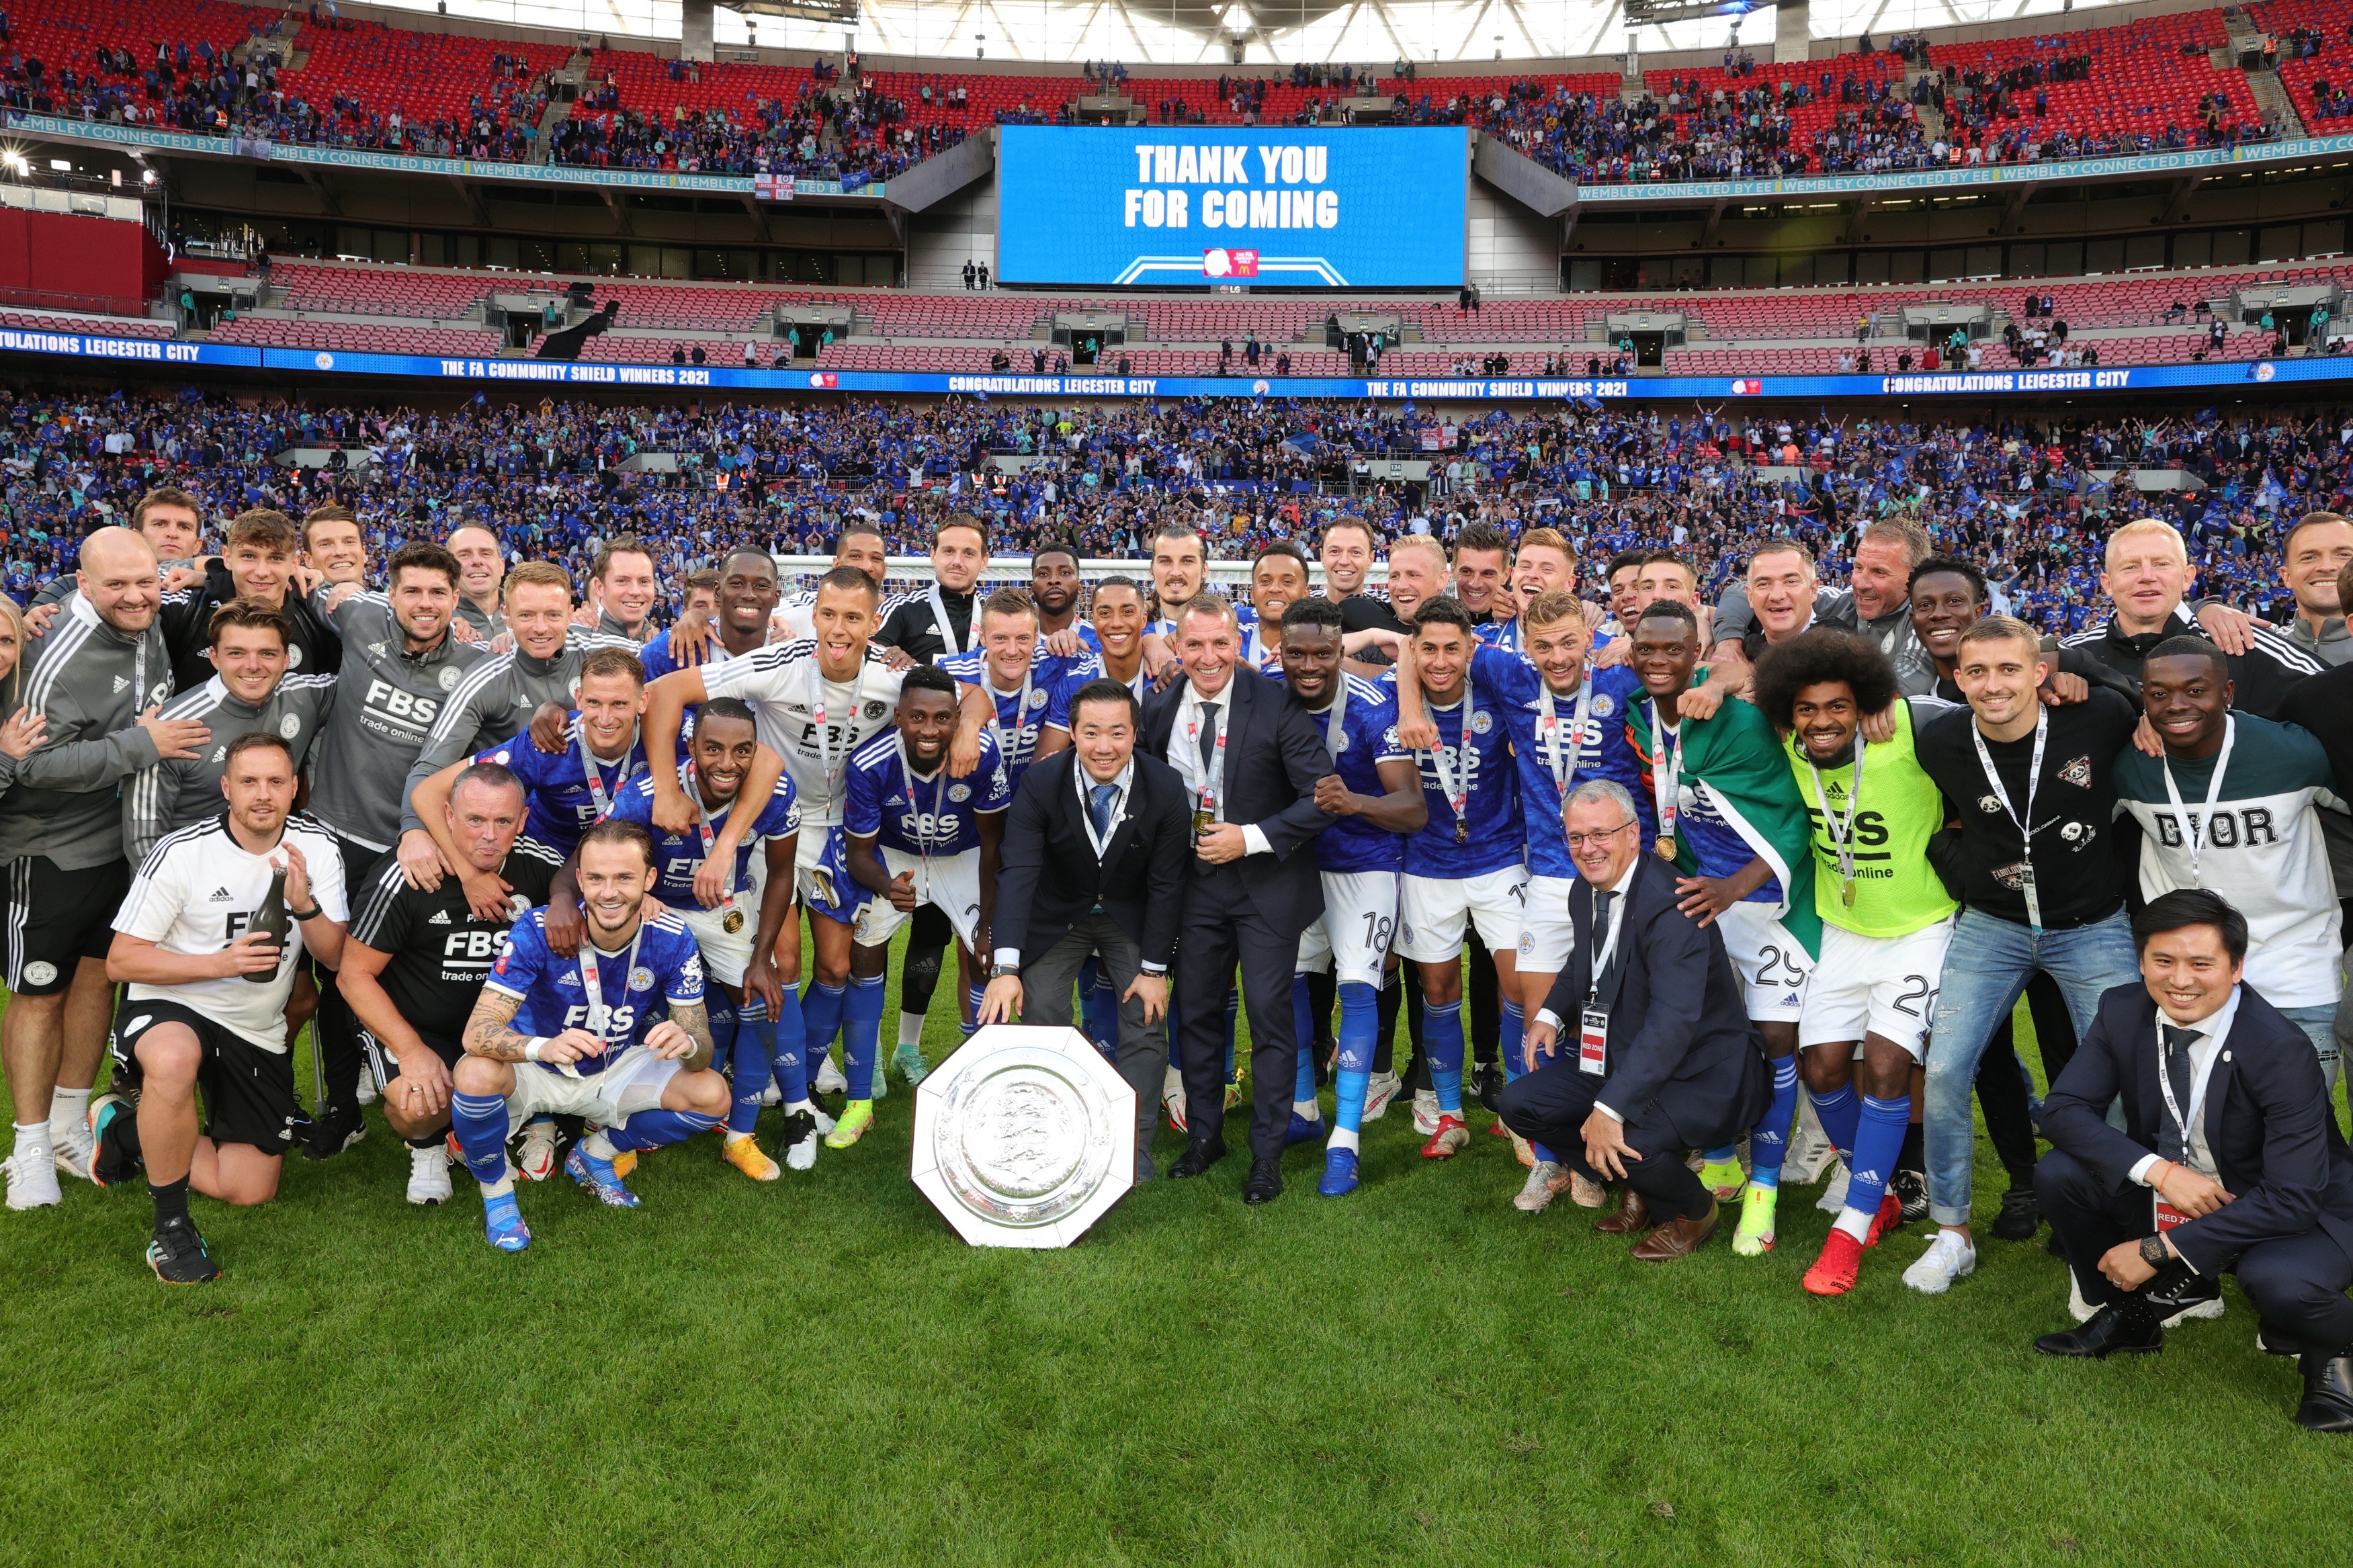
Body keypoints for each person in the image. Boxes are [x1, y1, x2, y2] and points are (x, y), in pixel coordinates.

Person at [643, 566, 988, 1121]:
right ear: (815, 616)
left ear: (874, 624)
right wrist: (665, 788)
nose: (838, 629)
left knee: (834, 966)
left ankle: (805, 1066)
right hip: (772, 822)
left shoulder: (890, 674)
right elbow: (664, 692)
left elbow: (970, 696)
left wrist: (969, 728)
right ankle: (791, 1088)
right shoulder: (781, 664)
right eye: (828, 614)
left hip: (844, 830)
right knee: (781, 962)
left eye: (853, 617)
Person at [2033, 889, 2353, 1434]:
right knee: (2060, 1174)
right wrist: (2160, 1172)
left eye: (2201, 964)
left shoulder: (2280, 1047)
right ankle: (2134, 1318)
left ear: (2236, 967)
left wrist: (2157, 1249)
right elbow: (2061, 1110)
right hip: (2175, 1188)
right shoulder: (2122, 1009)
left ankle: (2336, 1353)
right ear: (2142, 962)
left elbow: (2293, 1196)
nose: (2180, 980)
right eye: (2164, 961)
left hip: (2279, 1206)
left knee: (2282, 1286)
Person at [1905, 615, 2145, 1294]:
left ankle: (2109, 1234)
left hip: (2092, 925)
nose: (1992, 685)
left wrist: (2085, 668)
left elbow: (2141, 694)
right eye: (1975, 671)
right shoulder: (1942, 738)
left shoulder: (2096, 714)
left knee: (2124, 1078)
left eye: (2009, 669)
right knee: (1948, 1069)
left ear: (2040, 672)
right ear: (1956, 678)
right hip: (1993, 925)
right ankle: (1951, 1233)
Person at [89, 733, 349, 1282]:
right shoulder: (184, 852)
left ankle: (125, 1131)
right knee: (175, 1059)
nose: (263, 795)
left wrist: (305, 905)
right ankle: (171, 1230)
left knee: (249, 1187)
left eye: (276, 782)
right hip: (172, 1001)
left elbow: (333, 956)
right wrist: (219, 964)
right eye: (249, 782)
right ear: (227, 788)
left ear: (295, 788)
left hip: (254, 1025)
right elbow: (122, 960)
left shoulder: (317, 849)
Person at [1754, 628, 1959, 1295]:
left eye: (1838, 707)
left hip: (1919, 929)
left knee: (1889, 1065)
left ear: (1865, 700)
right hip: (1843, 928)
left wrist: (2055, 669)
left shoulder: (1905, 723)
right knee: (1822, 1069)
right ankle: (1883, 1191)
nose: (1822, 722)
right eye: (1807, 709)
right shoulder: (1788, 741)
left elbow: (1989, 703)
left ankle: (1851, 1229)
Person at [1622, 600, 1824, 1255]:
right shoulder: (1635, 715)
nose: (1658, 661)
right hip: (1702, 895)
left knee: (1773, 1041)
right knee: (1706, 1031)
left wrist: (1734, 886)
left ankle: (1762, 1189)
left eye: (1672, 650)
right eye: (1645, 649)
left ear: (1697, 652)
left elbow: (1794, 818)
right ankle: (1720, 1160)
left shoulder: (1741, 721)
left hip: (1770, 902)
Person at [1, 527, 192, 1211]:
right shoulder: (58, 659)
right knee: (40, 995)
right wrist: (143, 745)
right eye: (117, 585)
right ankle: (26, 1150)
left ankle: (65, 1128)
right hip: (46, 849)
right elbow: (30, 766)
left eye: (146, 580)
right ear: (86, 587)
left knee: (94, 981)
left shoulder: (148, 621)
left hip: (114, 846)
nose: (137, 596)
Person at [1502, 780, 1769, 1261]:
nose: (1588, 849)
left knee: (1629, 1139)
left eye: (1601, 834)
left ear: (1633, 834)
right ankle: (1640, 1186)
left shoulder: (1674, 904)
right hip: (1625, 1055)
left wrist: (1608, 1111)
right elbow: (1584, 962)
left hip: (1700, 1071)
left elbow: (1673, 1022)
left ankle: (1692, 1209)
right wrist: (1549, 1014)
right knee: (1520, 1103)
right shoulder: (1585, 889)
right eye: (1576, 837)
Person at [449, 820, 724, 1253]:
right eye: (596, 878)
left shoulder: (672, 938)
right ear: (579, 880)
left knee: (711, 1092)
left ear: (650, 880)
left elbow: (702, 1045)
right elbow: (476, 1033)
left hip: (610, 1070)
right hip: (534, 1069)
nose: (609, 892)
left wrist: (689, 1043)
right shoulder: (538, 930)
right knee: (475, 1074)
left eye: (624, 878)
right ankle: (498, 1197)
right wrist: (545, 1046)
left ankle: (595, 1154)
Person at [1141, 593, 1332, 1203]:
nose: (1208, 656)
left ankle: (1267, 1155)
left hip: (1266, 888)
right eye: (1193, 644)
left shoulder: (1274, 702)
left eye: (1220, 643)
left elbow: (1321, 796)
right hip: (1197, 890)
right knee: (1195, 1013)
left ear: (1238, 642)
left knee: (1270, 1019)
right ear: (1176, 646)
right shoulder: (1161, 706)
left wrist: (1249, 838)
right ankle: (1205, 1135)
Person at [302, 541, 485, 1157]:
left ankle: (404, 1078)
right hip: (336, 834)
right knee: (332, 975)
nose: (425, 604)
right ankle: (341, 1106)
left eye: (438, 593)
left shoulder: (477, 665)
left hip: (415, 846)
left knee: (390, 971)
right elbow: (311, 586)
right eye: (413, 591)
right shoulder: (358, 619)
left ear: (457, 600)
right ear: (392, 594)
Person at [2112, 637, 2345, 1095]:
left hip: (2294, 966)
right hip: (2187, 977)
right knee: (2192, 1129)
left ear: (2229, 693)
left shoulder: (2292, 754)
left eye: (2196, 690)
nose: (2177, 705)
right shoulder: (2130, 767)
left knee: (2303, 1123)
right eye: (2159, 694)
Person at [979, 678, 1192, 1178]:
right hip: (1059, 915)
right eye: (1091, 732)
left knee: (1146, 1015)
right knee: (1041, 1009)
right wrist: (1005, 966)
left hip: (1130, 916)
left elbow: (1168, 883)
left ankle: (1131, 1149)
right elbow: (1019, 872)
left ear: (1136, 734)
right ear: (1071, 732)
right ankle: (1051, 1139)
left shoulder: (1164, 787)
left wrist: (1155, 968)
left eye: (1117, 733)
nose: (1104, 747)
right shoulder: (1040, 782)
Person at [337, 762, 560, 1205]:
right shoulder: (408, 875)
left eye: (503, 822)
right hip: (422, 1027)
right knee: (419, 1106)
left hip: (504, 1028)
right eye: (475, 819)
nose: (489, 835)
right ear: (449, 816)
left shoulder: (542, 866)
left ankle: (533, 1121)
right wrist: (410, 1050)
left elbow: (593, 896)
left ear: (523, 820)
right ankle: (429, 1146)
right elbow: (353, 976)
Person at [596, 697, 802, 1178]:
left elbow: (781, 872)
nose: (726, 763)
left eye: (740, 751)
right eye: (712, 749)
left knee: (763, 1001)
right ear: (691, 747)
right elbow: (603, 855)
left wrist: (762, 958)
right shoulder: (647, 793)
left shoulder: (775, 789)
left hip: (725, 910)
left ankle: (740, 1135)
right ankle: (611, 1127)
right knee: (621, 1005)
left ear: (755, 752)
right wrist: (636, 892)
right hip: (655, 907)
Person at [1277, 597, 1424, 1195]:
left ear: (1341, 652)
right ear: (1279, 651)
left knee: (1357, 988)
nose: (1309, 665)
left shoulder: (1372, 707)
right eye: (1296, 654)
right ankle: (1304, 1108)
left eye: (1322, 653)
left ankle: (1346, 1141)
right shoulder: (1264, 691)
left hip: (1363, 864)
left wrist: (1356, 803)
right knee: (1288, 979)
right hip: (1293, 863)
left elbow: (1413, 806)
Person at [840, 668, 1011, 1145]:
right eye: (917, 717)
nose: (930, 729)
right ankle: (864, 1073)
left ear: (959, 717)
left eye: (942, 718)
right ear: (898, 717)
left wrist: (988, 926)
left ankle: (980, 1076)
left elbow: (994, 846)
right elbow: (858, 854)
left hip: (964, 856)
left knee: (985, 958)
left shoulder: (983, 753)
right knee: (866, 948)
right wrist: (887, 884)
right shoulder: (870, 763)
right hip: (894, 856)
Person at [122, 599, 337, 863]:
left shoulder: (307, 697)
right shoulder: (170, 727)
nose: (253, 665)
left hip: (271, 860)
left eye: (267, 653)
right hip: (194, 874)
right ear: (214, 657)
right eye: (236, 653)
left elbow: (368, 678)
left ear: (286, 659)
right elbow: (144, 836)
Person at [2059, 519, 2322, 717]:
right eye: (2130, 567)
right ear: (2107, 583)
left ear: (2187, 577)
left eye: (2162, 564)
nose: (2147, 576)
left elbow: (2337, 696)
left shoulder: (2244, 645)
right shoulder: (2073, 655)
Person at [583, 536, 658, 644]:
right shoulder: (571, 642)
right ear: (599, 587)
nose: (635, 591)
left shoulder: (665, 646)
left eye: (644, 581)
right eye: (622, 581)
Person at [445, 522, 508, 640]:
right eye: (464, 555)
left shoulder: (531, 612)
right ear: (449, 569)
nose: (477, 560)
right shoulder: (438, 622)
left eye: (486, 553)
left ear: (501, 567)